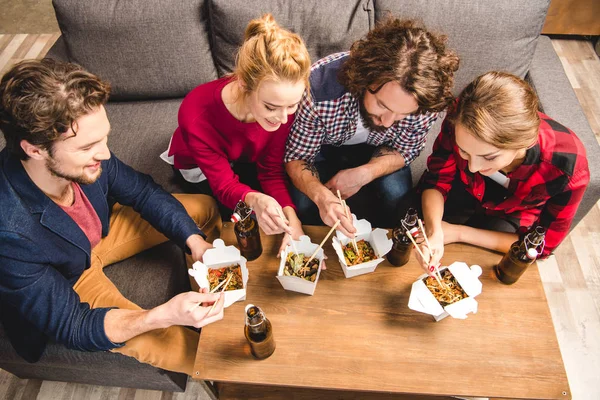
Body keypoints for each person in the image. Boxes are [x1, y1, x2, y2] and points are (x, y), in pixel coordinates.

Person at [0, 59, 224, 375]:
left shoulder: (88, 155)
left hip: (98, 234)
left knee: (201, 209)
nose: (105, 154)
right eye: (89, 146)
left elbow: (143, 193)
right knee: (177, 346)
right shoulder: (8, 235)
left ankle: (205, 288)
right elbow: (73, 324)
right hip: (67, 277)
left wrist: (195, 243)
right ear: (35, 150)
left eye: (104, 137)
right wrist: (162, 315)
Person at [284, 18, 459, 236]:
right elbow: (297, 157)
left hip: (382, 152)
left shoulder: (425, 101)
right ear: (365, 79)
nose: (387, 122)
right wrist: (322, 198)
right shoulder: (318, 88)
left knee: (398, 196)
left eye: (402, 114)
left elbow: (406, 149)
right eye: (382, 105)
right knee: (302, 202)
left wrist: (366, 173)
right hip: (322, 150)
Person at [162, 14, 311, 254]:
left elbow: (271, 170)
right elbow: (223, 186)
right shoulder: (195, 114)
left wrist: (293, 221)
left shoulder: (282, 108)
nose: (284, 119)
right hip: (198, 165)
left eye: (292, 106)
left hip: (242, 156)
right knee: (236, 218)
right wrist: (253, 199)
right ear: (243, 83)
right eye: (271, 107)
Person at [417, 71, 590, 273]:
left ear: (525, 142)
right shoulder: (461, 115)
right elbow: (437, 178)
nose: (473, 167)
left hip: (513, 214)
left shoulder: (568, 169)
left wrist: (457, 233)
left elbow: (537, 248)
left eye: (489, 157)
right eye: (463, 151)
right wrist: (435, 229)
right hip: (459, 188)